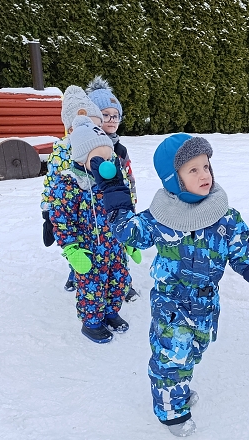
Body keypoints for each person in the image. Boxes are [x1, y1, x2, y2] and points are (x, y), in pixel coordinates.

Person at [95, 134, 249, 436]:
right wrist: (114, 190)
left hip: (205, 304)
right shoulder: (162, 218)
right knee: (172, 357)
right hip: (171, 303)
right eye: (193, 170)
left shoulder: (225, 219)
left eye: (206, 166)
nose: (204, 175)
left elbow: (244, 254)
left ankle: (179, 388)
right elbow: (128, 231)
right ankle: (171, 412)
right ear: (174, 179)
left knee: (193, 351)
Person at [44, 115, 130, 344]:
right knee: (92, 288)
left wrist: (129, 239)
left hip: (114, 246)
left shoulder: (113, 182)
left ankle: (111, 312)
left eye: (109, 158)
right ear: (82, 159)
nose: (107, 164)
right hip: (88, 250)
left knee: (119, 281)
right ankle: (91, 323)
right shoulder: (69, 185)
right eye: (99, 159)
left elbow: (124, 208)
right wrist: (72, 249)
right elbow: (61, 220)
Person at [41, 86, 104, 292]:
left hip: (99, 208)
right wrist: (48, 211)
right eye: (89, 126)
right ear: (71, 129)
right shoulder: (61, 153)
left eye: (98, 126)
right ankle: (75, 273)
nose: (95, 131)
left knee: (105, 243)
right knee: (77, 246)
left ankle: (114, 278)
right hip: (73, 211)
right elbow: (52, 183)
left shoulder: (103, 146)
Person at [86, 75, 141, 302]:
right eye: (105, 115)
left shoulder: (120, 149)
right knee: (90, 247)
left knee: (119, 244)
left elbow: (129, 178)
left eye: (115, 115)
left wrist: (131, 204)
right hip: (90, 211)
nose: (111, 120)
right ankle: (80, 277)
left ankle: (123, 284)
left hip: (116, 207)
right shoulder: (83, 147)